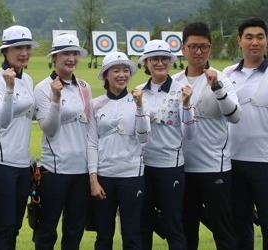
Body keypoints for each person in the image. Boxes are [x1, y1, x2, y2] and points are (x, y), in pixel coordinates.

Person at [171, 22, 241, 250]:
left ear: (210, 48)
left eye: (203, 47)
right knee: (187, 230)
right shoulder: (174, 82)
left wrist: (217, 88)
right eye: (193, 46)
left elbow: (235, 116)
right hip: (182, 168)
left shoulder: (221, 78)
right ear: (183, 48)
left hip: (214, 167)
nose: (198, 52)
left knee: (224, 232)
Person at [0, 25, 38, 250]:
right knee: (4, 227)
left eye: (27, 47)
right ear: (6, 51)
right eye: (18, 48)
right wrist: (8, 88)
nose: (24, 52)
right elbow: (3, 120)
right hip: (0, 163)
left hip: (22, 164)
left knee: (14, 227)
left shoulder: (29, 79)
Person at [87, 51, 150, 250]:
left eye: (125, 71)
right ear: (106, 74)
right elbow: (91, 143)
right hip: (105, 176)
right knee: (104, 235)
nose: (122, 75)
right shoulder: (95, 104)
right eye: (116, 70)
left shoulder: (139, 100)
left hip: (131, 175)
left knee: (132, 234)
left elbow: (143, 137)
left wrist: (139, 107)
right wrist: (93, 179)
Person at [33, 33, 91, 250]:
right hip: (55, 169)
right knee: (47, 230)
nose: (71, 58)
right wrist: (56, 100)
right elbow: (49, 129)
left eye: (75, 53)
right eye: (65, 53)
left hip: (81, 169)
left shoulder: (84, 86)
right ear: (54, 58)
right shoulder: (42, 87)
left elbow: (88, 127)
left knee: (74, 231)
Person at [137, 40, 194, 250]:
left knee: (173, 225)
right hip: (142, 167)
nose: (159, 63)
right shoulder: (138, 91)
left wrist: (187, 105)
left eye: (164, 59)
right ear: (146, 62)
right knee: (143, 225)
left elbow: (190, 133)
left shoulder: (182, 91)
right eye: (154, 59)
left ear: (170, 61)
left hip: (170, 166)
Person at [223, 17, 268, 250]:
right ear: (239, 40)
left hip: (264, 161)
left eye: (260, 37)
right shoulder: (227, 73)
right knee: (240, 226)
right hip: (233, 161)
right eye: (249, 37)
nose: (254, 42)